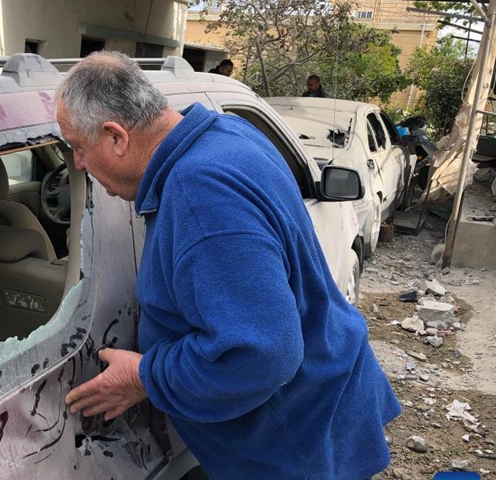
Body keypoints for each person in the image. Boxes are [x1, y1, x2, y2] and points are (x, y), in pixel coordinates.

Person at [56, 51, 400, 480]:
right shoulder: (223, 130)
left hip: (295, 447)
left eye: (77, 147)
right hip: (318, 407)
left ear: (116, 137)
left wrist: (145, 376)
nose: (77, 165)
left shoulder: (201, 196)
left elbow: (264, 353)